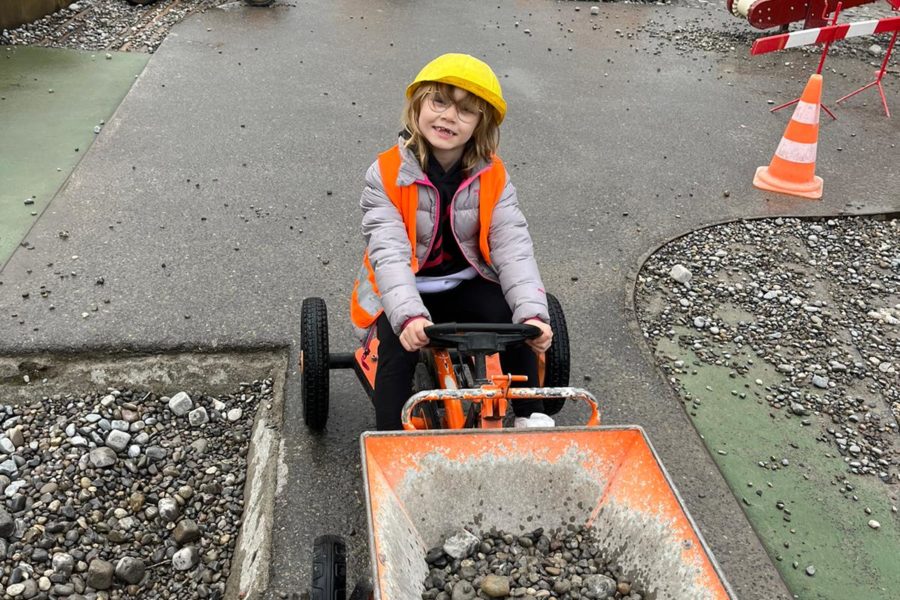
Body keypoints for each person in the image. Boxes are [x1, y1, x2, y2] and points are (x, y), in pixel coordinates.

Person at [349, 53, 554, 431]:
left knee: (518, 326)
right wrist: (408, 315)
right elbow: (389, 251)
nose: (448, 117)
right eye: (439, 101)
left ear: (481, 124)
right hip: (407, 288)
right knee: (397, 357)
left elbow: (512, 246)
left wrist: (532, 314)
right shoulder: (386, 174)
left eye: (466, 110)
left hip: (465, 280)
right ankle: (390, 441)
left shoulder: (493, 175)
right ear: (418, 105)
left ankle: (531, 416)